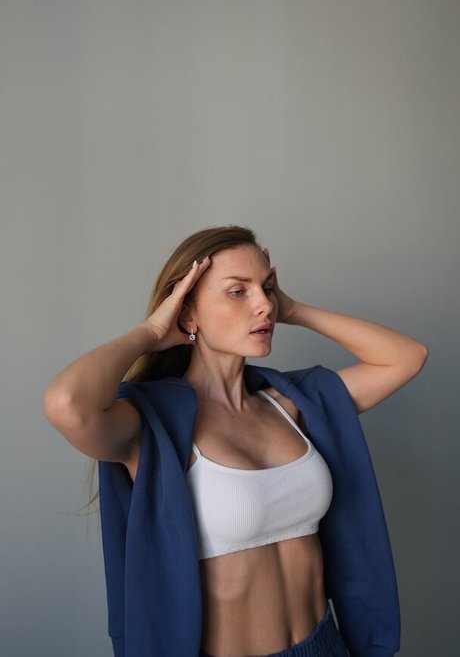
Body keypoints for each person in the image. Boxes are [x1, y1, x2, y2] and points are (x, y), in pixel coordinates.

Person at [44, 225, 428, 657]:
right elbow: (66, 403)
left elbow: (406, 357)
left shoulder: (294, 404)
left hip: (325, 646)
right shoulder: (153, 425)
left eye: (267, 288)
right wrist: (152, 331)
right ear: (187, 313)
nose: (264, 304)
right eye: (238, 291)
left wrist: (293, 309)